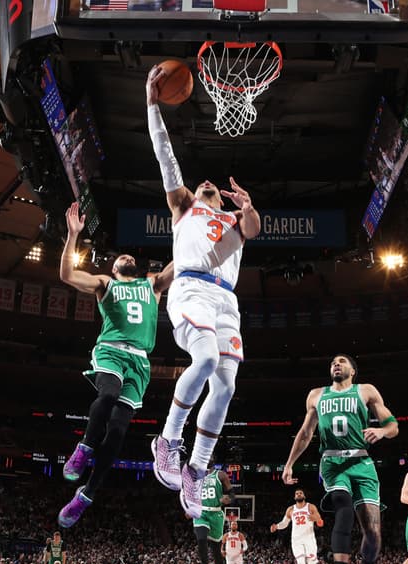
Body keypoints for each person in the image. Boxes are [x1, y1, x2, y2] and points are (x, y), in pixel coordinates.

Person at [145, 64, 261, 519]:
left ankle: (194, 470)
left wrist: (248, 206)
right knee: (207, 359)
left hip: (226, 299)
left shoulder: (233, 221)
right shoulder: (185, 207)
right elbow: (164, 157)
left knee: (227, 384)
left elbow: (253, 229)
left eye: (213, 186)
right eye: (203, 183)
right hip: (191, 287)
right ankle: (168, 439)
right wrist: (152, 105)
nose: (207, 183)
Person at [58, 201, 174, 527]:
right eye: (123, 257)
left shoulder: (151, 285)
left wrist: (192, 227)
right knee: (107, 395)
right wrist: (72, 235)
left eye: (132, 257)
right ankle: (83, 448)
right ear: (114, 268)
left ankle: (87, 494)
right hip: (110, 350)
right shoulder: (105, 284)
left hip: (139, 361)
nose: (128, 257)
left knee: (119, 431)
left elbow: (178, 266)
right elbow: (67, 274)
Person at [282, 354, 400, 564]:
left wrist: (381, 431)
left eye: (343, 361)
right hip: (333, 464)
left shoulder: (366, 391)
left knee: (373, 533)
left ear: (353, 371)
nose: (336, 364)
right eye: (333, 362)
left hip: (362, 462)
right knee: (344, 512)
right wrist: (290, 463)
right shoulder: (316, 395)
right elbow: (305, 432)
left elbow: (392, 424)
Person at [270, 488, 327, 564]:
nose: (298, 494)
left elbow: (320, 522)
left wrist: (317, 519)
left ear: (304, 495)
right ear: (294, 497)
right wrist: (277, 526)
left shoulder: (310, 507)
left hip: (309, 539)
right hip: (296, 541)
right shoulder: (291, 509)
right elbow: (284, 523)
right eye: (296, 493)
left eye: (300, 493)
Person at [193, 464, 234, 564]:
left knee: (217, 554)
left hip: (216, 513)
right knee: (201, 539)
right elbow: (190, 494)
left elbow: (232, 494)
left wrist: (228, 499)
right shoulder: (196, 475)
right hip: (201, 511)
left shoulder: (220, 474)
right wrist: (189, 507)